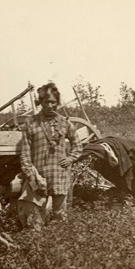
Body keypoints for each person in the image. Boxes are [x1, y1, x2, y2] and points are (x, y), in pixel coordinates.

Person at [20, 82, 83, 224]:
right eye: (46, 102)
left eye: (53, 102)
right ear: (40, 102)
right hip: (38, 176)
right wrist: (30, 175)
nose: (50, 106)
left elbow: (78, 145)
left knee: (59, 216)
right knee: (35, 219)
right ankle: (36, 244)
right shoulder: (31, 122)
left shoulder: (64, 123)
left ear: (57, 103)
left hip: (59, 175)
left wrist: (70, 159)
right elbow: (25, 152)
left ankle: (58, 243)